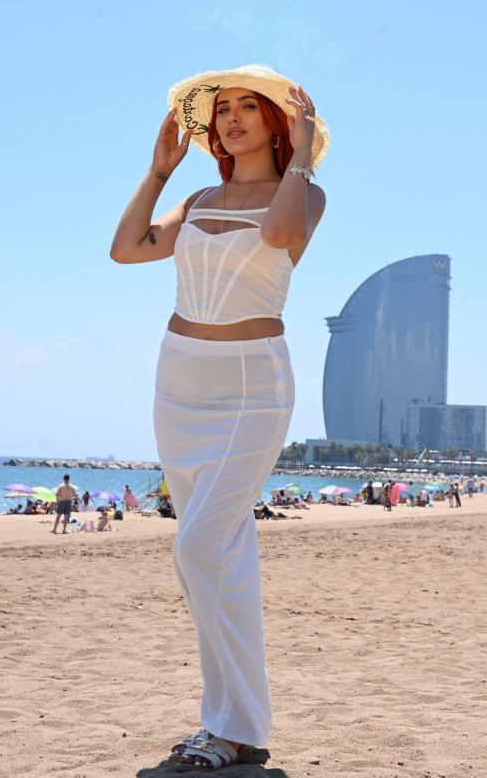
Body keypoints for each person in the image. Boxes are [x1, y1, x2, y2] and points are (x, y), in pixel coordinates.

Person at [112, 66, 328, 770]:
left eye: (247, 107)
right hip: (178, 382)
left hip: (250, 385)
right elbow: (126, 248)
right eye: (222, 108)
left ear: (277, 121)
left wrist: (301, 154)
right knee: (221, 554)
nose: (230, 118)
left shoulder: (304, 193)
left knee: (198, 548)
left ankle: (230, 723)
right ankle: (233, 728)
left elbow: (280, 234)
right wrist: (159, 172)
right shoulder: (200, 198)